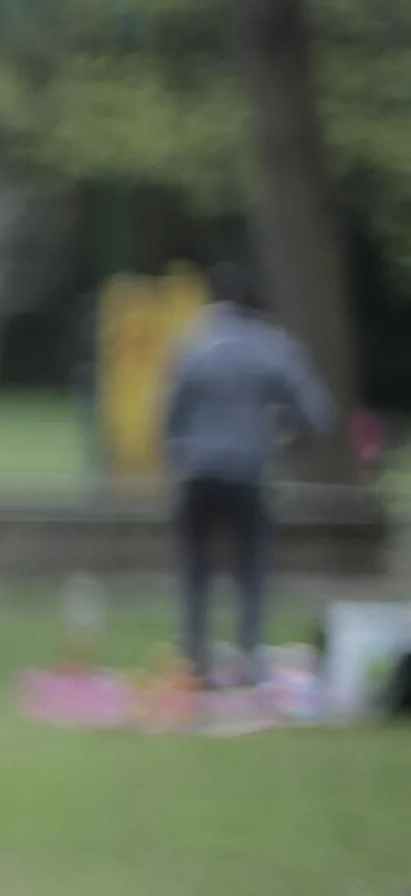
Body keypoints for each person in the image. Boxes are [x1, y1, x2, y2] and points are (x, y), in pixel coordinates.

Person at [161, 259, 334, 681]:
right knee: (252, 568)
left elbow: (170, 417)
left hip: (198, 472)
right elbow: (317, 414)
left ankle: (195, 658)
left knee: (196, 568)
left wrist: (183, 451)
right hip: (248, 472)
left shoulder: (192, 344)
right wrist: (286, 435)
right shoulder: (272, 347)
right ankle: (248, 659)